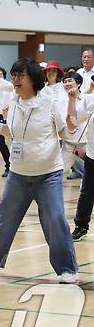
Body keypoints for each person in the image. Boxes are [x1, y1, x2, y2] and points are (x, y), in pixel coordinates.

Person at [0, 58, 78, 284]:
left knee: (56, 219)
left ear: (33, 79)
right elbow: (11, 132)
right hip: (18, 174)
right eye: (14, 76)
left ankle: (66, 269)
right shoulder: (12, 102)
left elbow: (63, 132)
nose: (16, 80)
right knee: (5, 219)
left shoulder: (49, 101)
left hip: (48, 173)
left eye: (21, 76)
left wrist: (74, 134)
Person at [67, 71, 94, 241]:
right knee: (87, 192)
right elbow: (74, 118)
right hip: (92, 153)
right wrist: (71, 99)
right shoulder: (91, 99)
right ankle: (81, 225)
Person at [59, 72, 87, 181]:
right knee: (58, 170)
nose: (67, 83)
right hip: (69, 144)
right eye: (65, 82)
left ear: (78, 84)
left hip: (86, 143)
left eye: (70, 80)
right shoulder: (61, 101)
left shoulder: (87, 99)